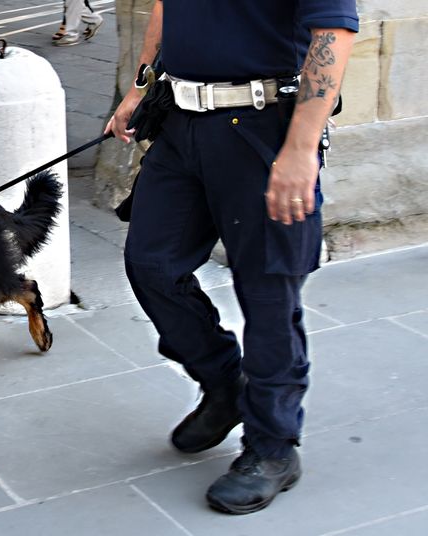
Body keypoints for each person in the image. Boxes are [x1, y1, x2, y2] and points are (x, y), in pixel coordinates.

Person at [105, 0, 357, 515]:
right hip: (180, 123)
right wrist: (139, 88)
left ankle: (273, 447)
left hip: (262, 129)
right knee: (151, 263)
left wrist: (301, 149)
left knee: (267, 296)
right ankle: (224, 385)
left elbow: (332, 33)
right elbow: (162, 7)